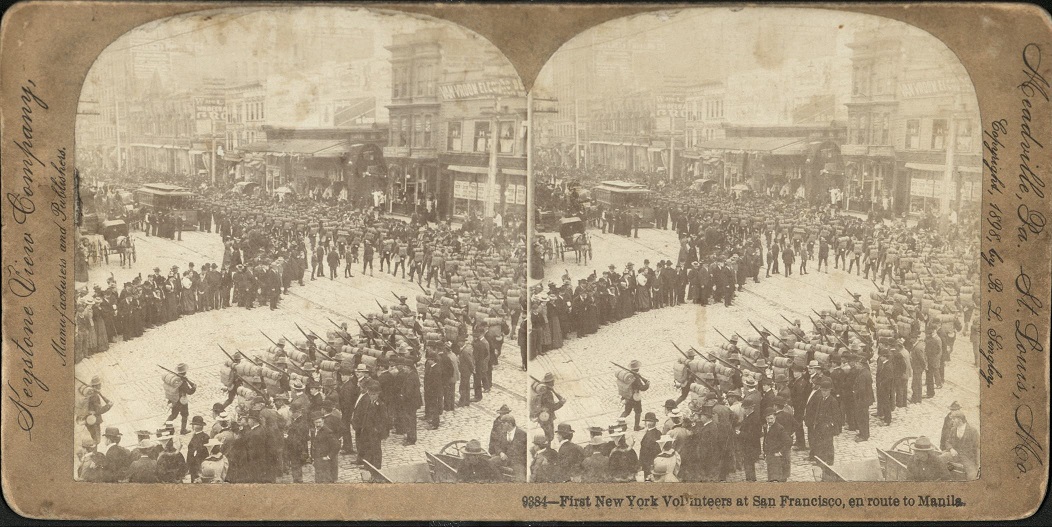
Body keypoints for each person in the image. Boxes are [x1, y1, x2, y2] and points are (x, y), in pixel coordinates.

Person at [805, 376, 842, 465]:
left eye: (826, 391)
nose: (824, 392)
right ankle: (821, 459)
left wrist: (830, 425)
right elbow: (818, 411)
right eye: (822, 390)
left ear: (829, 391)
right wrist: (815, 422)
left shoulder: (833, 401)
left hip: (828, 426)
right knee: (819, 443)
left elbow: (836, 416)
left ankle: (829, 461)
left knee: (828, 443)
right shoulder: (821, 399)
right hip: (819, 425)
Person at [943, 411, 979, 480]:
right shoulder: (953, 429)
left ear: (959, 420)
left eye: (953, 419)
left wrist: (977, 464)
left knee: (972, 475)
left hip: (967, 458)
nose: (952, 421)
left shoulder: (973, 431)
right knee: (940, 459)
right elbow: (947, 442)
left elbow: (977, 448)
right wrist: (951, 449)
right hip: (954, 455)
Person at [165, 362, 197, 434]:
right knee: (185, 415)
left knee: (173, 415)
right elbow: (189, 392)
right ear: (184, 372)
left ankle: (165, 426)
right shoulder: (183, 382)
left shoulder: (175, 379)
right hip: (182, 401)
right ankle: (183, 430)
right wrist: (194, 388)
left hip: (174, 400)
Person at [310, 410, 340, 483]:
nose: (318, 424)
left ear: (323, 421)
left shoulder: (327, 432)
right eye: (316, 422)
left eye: (320, 422)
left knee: (326, 481)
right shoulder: (313, 431)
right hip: (317, 460)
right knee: (318, 480)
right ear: (313, 422)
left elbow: (337, 445)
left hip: (325, 461)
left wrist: (329, 456)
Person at [762, 408, 791, 481]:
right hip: (770, 456)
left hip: (777, 458)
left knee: (777, 479)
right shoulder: (766, 427)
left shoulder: (779, 428)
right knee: (772, 477)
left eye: (771, 418)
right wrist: (765, 452)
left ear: (775, 417)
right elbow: (766, 440)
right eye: (768, 419)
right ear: (765, 418)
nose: (770, 421)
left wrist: (780, 452)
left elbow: (789, 442)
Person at [738, 399, 762, 481]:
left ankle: (751, 481)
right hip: (750, 447)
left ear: (750, 408)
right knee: (749, 465)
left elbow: (754, 435)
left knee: (749, 465)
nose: (744, 411)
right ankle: (751, 480)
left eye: (745, 409)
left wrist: (740, 433)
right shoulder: (750, 417)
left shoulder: (753, 419)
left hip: (751, 447)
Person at [185, 415, 210, 482]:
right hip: (204, 464)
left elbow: (192, 454)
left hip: (195, 466)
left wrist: (188, 466)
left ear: (195, 426)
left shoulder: (195, 438)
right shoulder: (206, 436)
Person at [639, 412, 662, 480]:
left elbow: (644, 452)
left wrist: (641, 464)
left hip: (648, 465)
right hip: (657, 462)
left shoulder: (649, 435)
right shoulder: (658, 432)